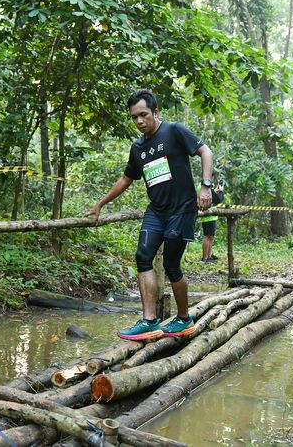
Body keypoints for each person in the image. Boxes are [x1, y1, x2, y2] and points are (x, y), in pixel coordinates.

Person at [86, 89, 213, 341]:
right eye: (134, 117)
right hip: (156, 211)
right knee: (143, 257)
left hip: (182, 210)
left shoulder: (174, 131)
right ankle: (149, 321)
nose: (139, 121)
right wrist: (101, 203)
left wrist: (206, 185)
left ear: (155, 112)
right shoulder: (138, 148)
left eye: (143, 115)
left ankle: (184, 319)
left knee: (171, 265)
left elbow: (205, 151)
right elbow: (126, 179)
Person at [200, 178, 224, 262]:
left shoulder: (205, 187)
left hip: (211, 215)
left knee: (210, 237)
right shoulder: (206, 187)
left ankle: (208, 256)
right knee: (207, 236)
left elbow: (214, 198)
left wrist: (216, 191)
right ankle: (205, 257)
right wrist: (221, 191)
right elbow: (218, 200)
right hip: (208, 216)